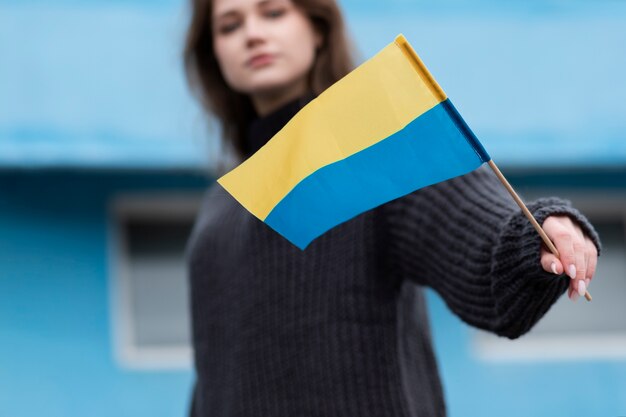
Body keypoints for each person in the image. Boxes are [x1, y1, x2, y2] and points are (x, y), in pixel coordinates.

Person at [182, 0, 602, 416]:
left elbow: (477, 237)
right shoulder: (221, 205)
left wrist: (540, 235)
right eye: (229, 26)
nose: (252, 33)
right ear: (213, 53)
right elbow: (214, 378)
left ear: (317, 28)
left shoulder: (370, 151)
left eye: (273, 13)